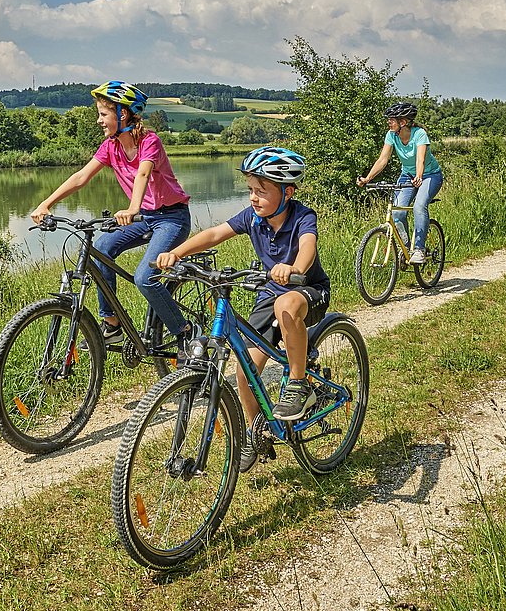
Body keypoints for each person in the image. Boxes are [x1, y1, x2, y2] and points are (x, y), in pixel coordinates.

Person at [155, 146, 330, 470]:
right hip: (268, 294)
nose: (253, 197)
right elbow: (214, 234)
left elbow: (308, 247)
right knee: (244, 370)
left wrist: (292, 268)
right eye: (250, 190)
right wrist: (176, 253)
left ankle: (298, 382)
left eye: (262, 191)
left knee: (286, 304)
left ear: (287, 192)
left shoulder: (303, 216)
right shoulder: (252, 218)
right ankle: (255, 432)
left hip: (305, 289)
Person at [31, 81, 196, 353]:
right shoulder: (110, 146)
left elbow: (143, 173)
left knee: (145, 277)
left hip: (172, 218)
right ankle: (112, 325)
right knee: (102, 249)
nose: (99, 120)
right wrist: (46, 203)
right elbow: (81, 177)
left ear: (123, 114)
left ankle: (185, 332)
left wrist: (132, 209)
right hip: (145, 216)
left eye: (103, 114)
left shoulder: (149, 141)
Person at [356, 101, 443, 264]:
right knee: (397, 212)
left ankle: (419, 249)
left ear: (403, 122)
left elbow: (420, 158)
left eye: (392, 119)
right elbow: (383, 160)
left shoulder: (419, 134)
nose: (389, 122)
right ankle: (406, 248)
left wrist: (419, 176)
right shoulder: (391, 135)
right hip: (407, 175)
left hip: (430, 175)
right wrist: (368, 178)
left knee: (419, 206)